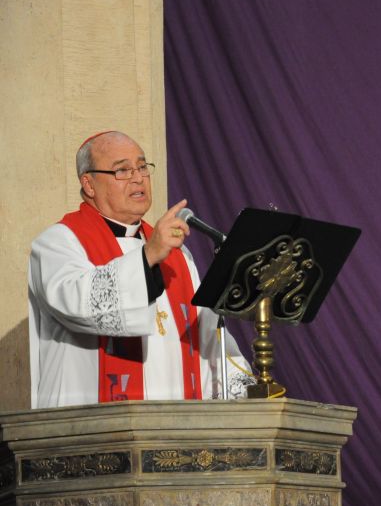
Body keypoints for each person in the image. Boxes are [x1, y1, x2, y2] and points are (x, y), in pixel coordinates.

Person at [28, 131, 254, 408]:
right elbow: (79, 304)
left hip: (175, 431)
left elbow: (208, 335)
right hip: (93, 429)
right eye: (122, 170)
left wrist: (245, 393)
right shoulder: (59, 242)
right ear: (88, 183)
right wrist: (147, 257)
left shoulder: (178, 254)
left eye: (142, 167)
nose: (138, 178)